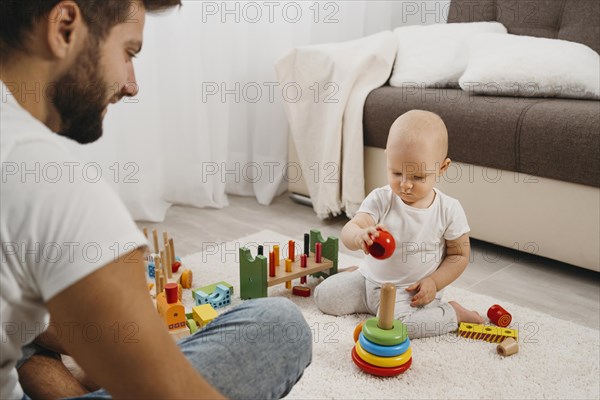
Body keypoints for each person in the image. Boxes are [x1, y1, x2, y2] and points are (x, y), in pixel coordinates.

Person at [0, 1, 311, 399]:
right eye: (128, 52)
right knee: (279, 324)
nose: (132, 85)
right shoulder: (51, 179)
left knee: (27, 315)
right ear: (64, 28)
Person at [314, 110, 483, 338]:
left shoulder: (448, 209)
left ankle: (453, 313)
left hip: (410, 292)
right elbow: (351, 229)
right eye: (396, 172)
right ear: (388, 158)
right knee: (324, 296)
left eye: (417, 177)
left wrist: (434, 282)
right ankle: (358, 279)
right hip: (368, 281)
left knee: (400, 328)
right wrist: (359, 236)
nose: (405, 185)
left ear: (442, 168)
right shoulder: (382, 198)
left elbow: (459, 256)